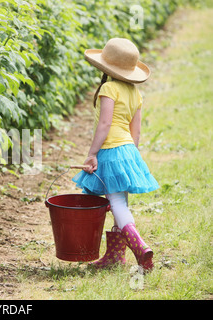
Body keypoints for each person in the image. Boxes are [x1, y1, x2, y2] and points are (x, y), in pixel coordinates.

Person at [72, 38, 159, 271]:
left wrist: (92, 153)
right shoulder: (135, 93)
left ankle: (139, 247)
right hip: (128, 149)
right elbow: (136, 131)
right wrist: (131, 157)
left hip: (111, 149)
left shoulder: (109, 88)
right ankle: (114, 257)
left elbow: (105, 124)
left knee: (117, 202)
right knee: (120, 203)